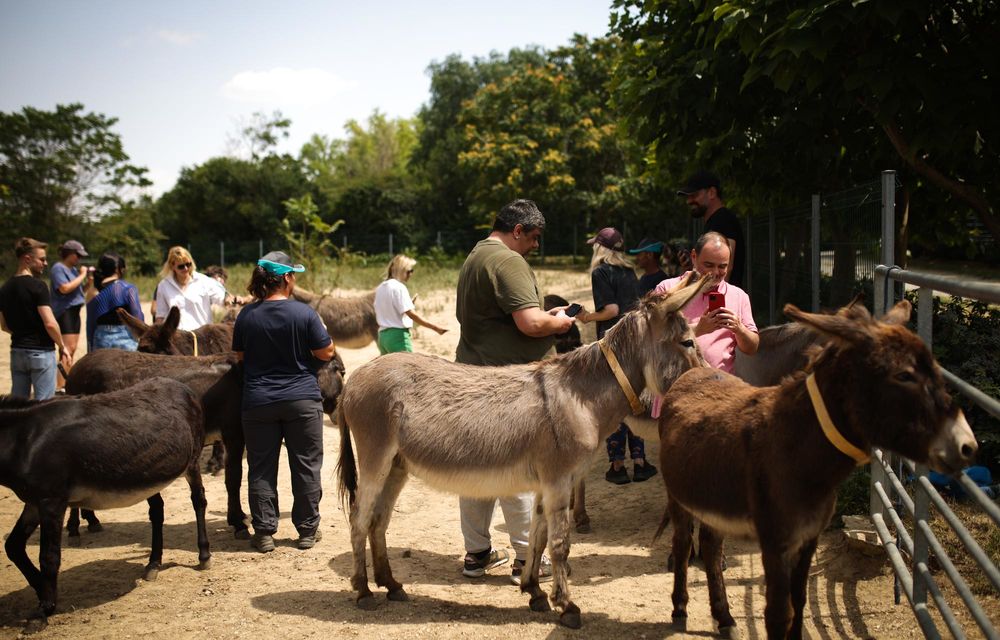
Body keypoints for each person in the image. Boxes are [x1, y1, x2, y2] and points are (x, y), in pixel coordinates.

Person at [455, 198, 576, 585]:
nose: (536, 246)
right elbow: (528, 322)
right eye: (534, 237)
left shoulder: (477, 255)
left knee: (474, 469)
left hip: (474, 377)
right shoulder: (508, 261)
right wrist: (559, 322)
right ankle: (527, 557)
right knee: (516, 470)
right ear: (518, 230)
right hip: (505, 386)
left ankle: (476, 553)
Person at [232, 251, 335, 553]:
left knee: (261, 467)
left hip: (258, 401)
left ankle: (264, 533)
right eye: (295, 275)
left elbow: (239, 357)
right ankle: (306, 531)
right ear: (287, 278)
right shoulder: (304, 314)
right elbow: (327, 352)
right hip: (301, 399)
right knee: (305, 465)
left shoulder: (247, 315)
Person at [575, 227, 657, 485]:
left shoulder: (601, 272)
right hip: (634, 344)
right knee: (634, 402)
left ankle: (617, 465)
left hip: (613, 347)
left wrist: (587, 316)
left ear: (601, 248)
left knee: (613, 405)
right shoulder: (629, 271)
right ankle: (640, 462)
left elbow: (611, 310)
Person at [652, 231, 759, 376]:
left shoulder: (739, 296)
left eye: (722, 266)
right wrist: (697, 329)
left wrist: (739, 329)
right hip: (674, 390)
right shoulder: (667, 289)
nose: (715, 272)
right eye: (709, 265)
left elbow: (752, 348)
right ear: (694, 257)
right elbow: (652, 339)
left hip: (718, 392)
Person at [0, 238, 71, 399]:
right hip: (41, 353)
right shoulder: (38, 286)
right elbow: (50, 323)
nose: (45, 264)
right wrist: (62, 345)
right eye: (42, 259)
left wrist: (22, 334)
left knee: (18, 406)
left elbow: (3, 325)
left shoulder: (5, 288)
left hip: (17, 351)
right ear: (27, 259)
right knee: (44, 407)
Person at [677, 171, 746, 288]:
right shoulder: (715, 221)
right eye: (687, 197)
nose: (688, 201)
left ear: (712, 193)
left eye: (694, 195)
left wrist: (713, 299)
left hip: (721, 302)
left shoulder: (723, 220)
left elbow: (727, 267)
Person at [374, 254, 447, 354]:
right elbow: (412, 315)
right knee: (406, 368)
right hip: (397, 336)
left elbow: (386, 310)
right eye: (409, 271)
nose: (411, 274)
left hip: (382, 337)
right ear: (401, 270)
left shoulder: (380, 287)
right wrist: (436, 328)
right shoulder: (399, 287)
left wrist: (408, 304)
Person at [154, 246, 228, 330]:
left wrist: (230, 300)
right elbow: (160, 316)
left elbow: (223, 298)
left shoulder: (204, 281)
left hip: (201, 336)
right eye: (181, 266)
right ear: (172, 266)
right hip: (176, 338)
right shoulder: (163, 286)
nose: (186, 268)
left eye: (188, 264)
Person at [50, 240, 92, 382]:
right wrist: (82, 276)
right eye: (77, 255)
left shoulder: (73, 270)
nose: (79, 259)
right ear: (69, 254)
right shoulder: (58, 268)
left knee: (72, 349)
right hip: (65, 311)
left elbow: (78, 292)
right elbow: (64, 288)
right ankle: (59, 386)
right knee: (66, 350)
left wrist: (88, 284)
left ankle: (65, 382)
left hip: (74, 311)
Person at [86, 253, 144, 351]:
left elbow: (90, 323)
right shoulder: (128, 288)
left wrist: (90, 347)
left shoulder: (92, 291)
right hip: (126, 339)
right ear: (118, 269)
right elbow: (138, 316)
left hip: (100, 339)